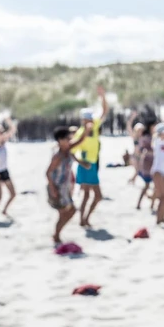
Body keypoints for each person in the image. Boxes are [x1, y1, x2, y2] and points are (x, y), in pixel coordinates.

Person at [72, 86, 109, 228]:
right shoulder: (80, 133)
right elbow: (71, 151)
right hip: (86, 165)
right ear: (83, 120)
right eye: (87, 119)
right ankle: (83, 219)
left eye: (90, 119)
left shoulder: (94, 128)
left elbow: (104, 111)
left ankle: (85, 219)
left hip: (93, 164)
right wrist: (81, 162)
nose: (90, 122)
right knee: (90, 195)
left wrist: (102, 96)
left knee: (94, 196)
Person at [47, 127, 83, 244]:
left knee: (68, 211)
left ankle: (56, 235)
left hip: (64, 188)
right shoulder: (57, 156)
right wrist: (53, 190)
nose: (70, 140)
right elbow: (48, 173)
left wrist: (87, 129)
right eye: (68, 138)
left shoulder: (67, 150)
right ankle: (56, 235)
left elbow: (80, 141)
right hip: (57, 188)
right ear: (60, 140)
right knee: (67, 211)